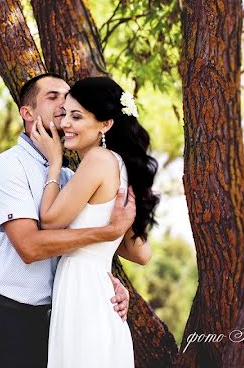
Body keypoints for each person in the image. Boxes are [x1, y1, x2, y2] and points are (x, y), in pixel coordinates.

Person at [0, 73, 138, 368]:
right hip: (12, 317)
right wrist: (106, 232)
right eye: (53, 97)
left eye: (67, 97)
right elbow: (30, 247)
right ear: (28, 113)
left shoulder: (69, 176)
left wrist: (106, 280)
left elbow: (93, 244)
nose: (63, 104)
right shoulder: (9, 167)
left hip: (60, 315)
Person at [31, 75, 159, 368]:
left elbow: (49, 222)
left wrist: (54, 161)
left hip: (83, 289)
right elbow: (141, 253)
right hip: (96, 284)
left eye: (77, 117)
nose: (65, 124)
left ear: (105, 124)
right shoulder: (121, 165)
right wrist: (106, 237)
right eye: (65, 114)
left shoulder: (98, 160)